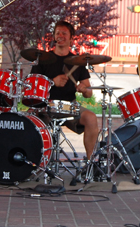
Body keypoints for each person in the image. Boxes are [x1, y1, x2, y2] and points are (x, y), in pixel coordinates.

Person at [31, 20, 99, 159]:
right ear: (54, 36)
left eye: (64, 33)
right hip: (46, 106)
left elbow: (89, 92)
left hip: (69, 106)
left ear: (71, 37)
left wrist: (84, 89)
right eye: (57, 33)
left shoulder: (78, 61)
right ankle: (32, 161)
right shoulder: (43, 59)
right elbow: (33, 86)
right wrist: (51, 82)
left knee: (91, 118)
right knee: (27, 120)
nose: (60, 36)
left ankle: (90, 163)